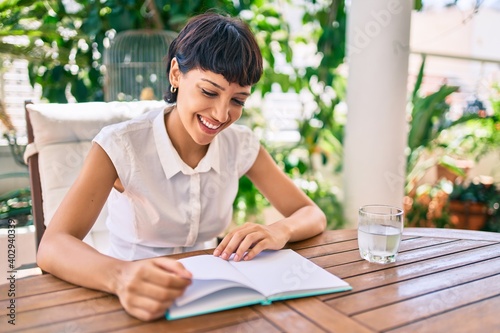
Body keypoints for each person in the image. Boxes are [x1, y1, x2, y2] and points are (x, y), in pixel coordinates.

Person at [36, 12, 326, 321]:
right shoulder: (120, 146)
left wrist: (278, 230)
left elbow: (312, 214)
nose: (221, 113)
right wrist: (121, 277)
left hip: (211, 297)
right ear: (176, 74)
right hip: (131, 299)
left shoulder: (239, 145)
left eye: (238, 100)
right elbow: (53, 245)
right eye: (209, 91)